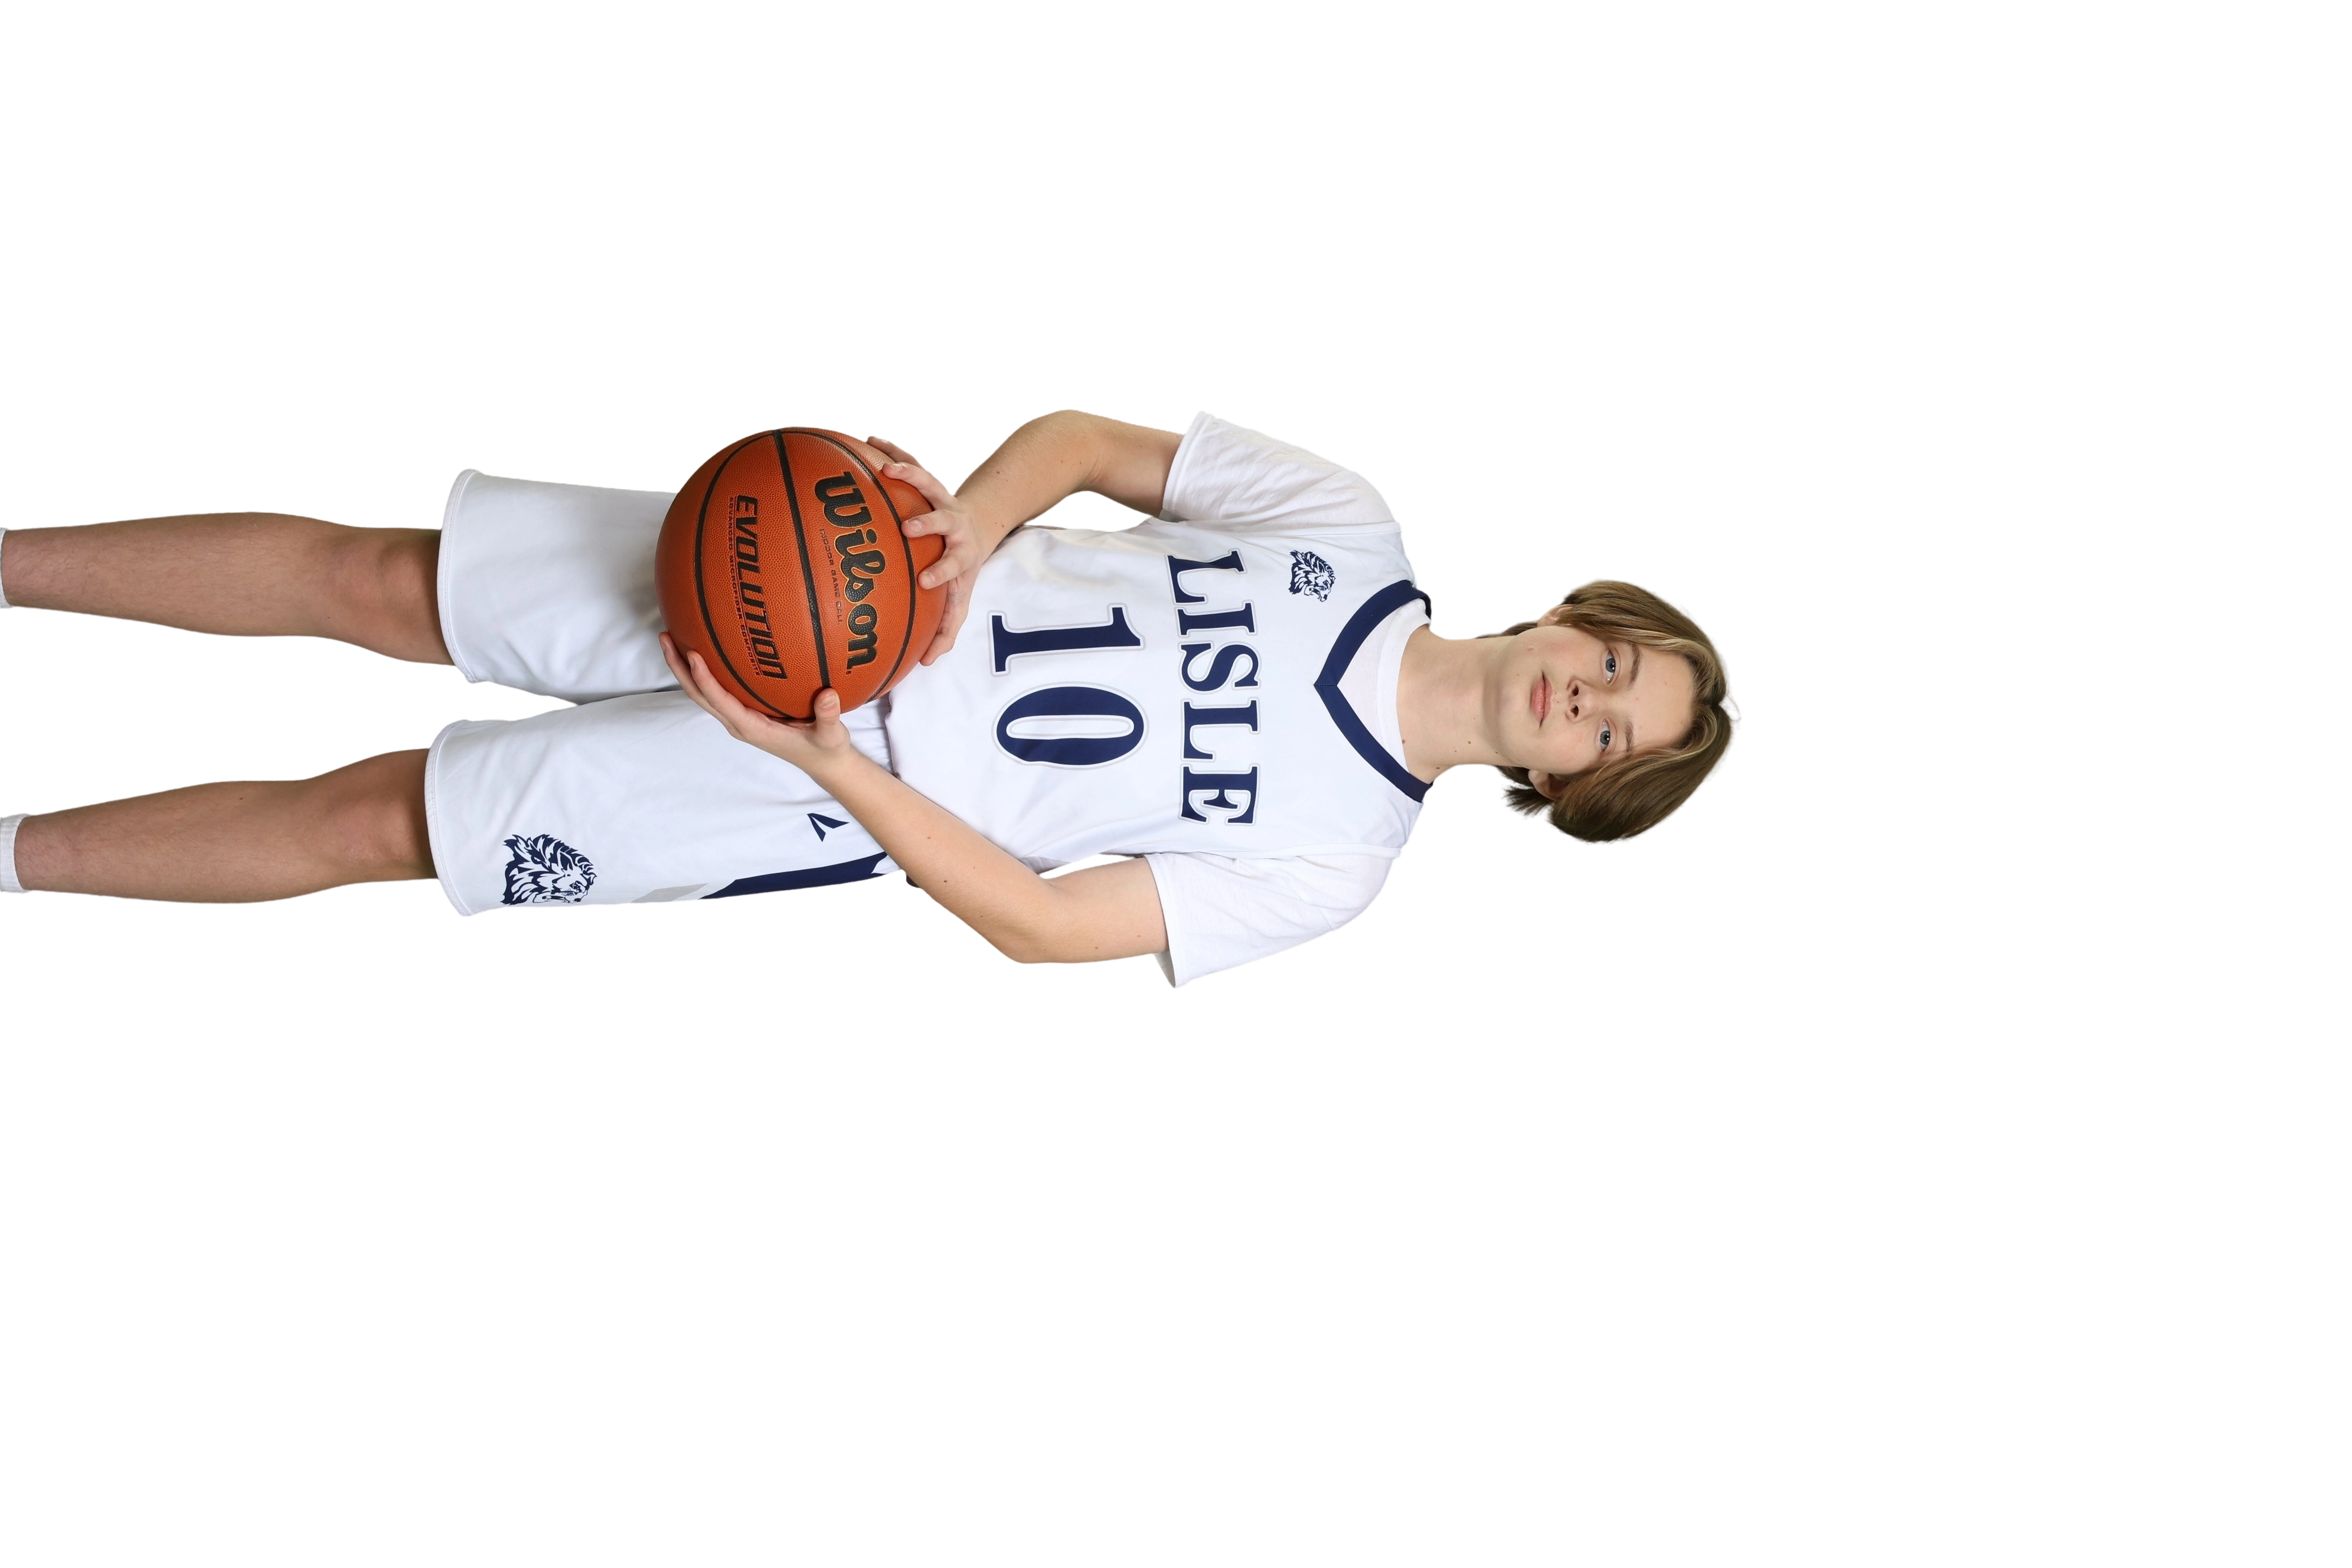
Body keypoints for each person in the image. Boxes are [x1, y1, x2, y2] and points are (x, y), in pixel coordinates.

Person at [0, 409, 1742, 988]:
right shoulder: (1348, 527)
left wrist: (835, 761)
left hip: (812, 787)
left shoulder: (1336, 861)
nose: (1583, 700)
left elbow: (1050, 927)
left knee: (376, 821)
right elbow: (1083, 444)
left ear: (1567, 795)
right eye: (1614, 663)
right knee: (380, 581)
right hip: (806, 589)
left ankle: (13, 858)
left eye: (1612, 736)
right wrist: (957, 540)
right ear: (1580, 612)